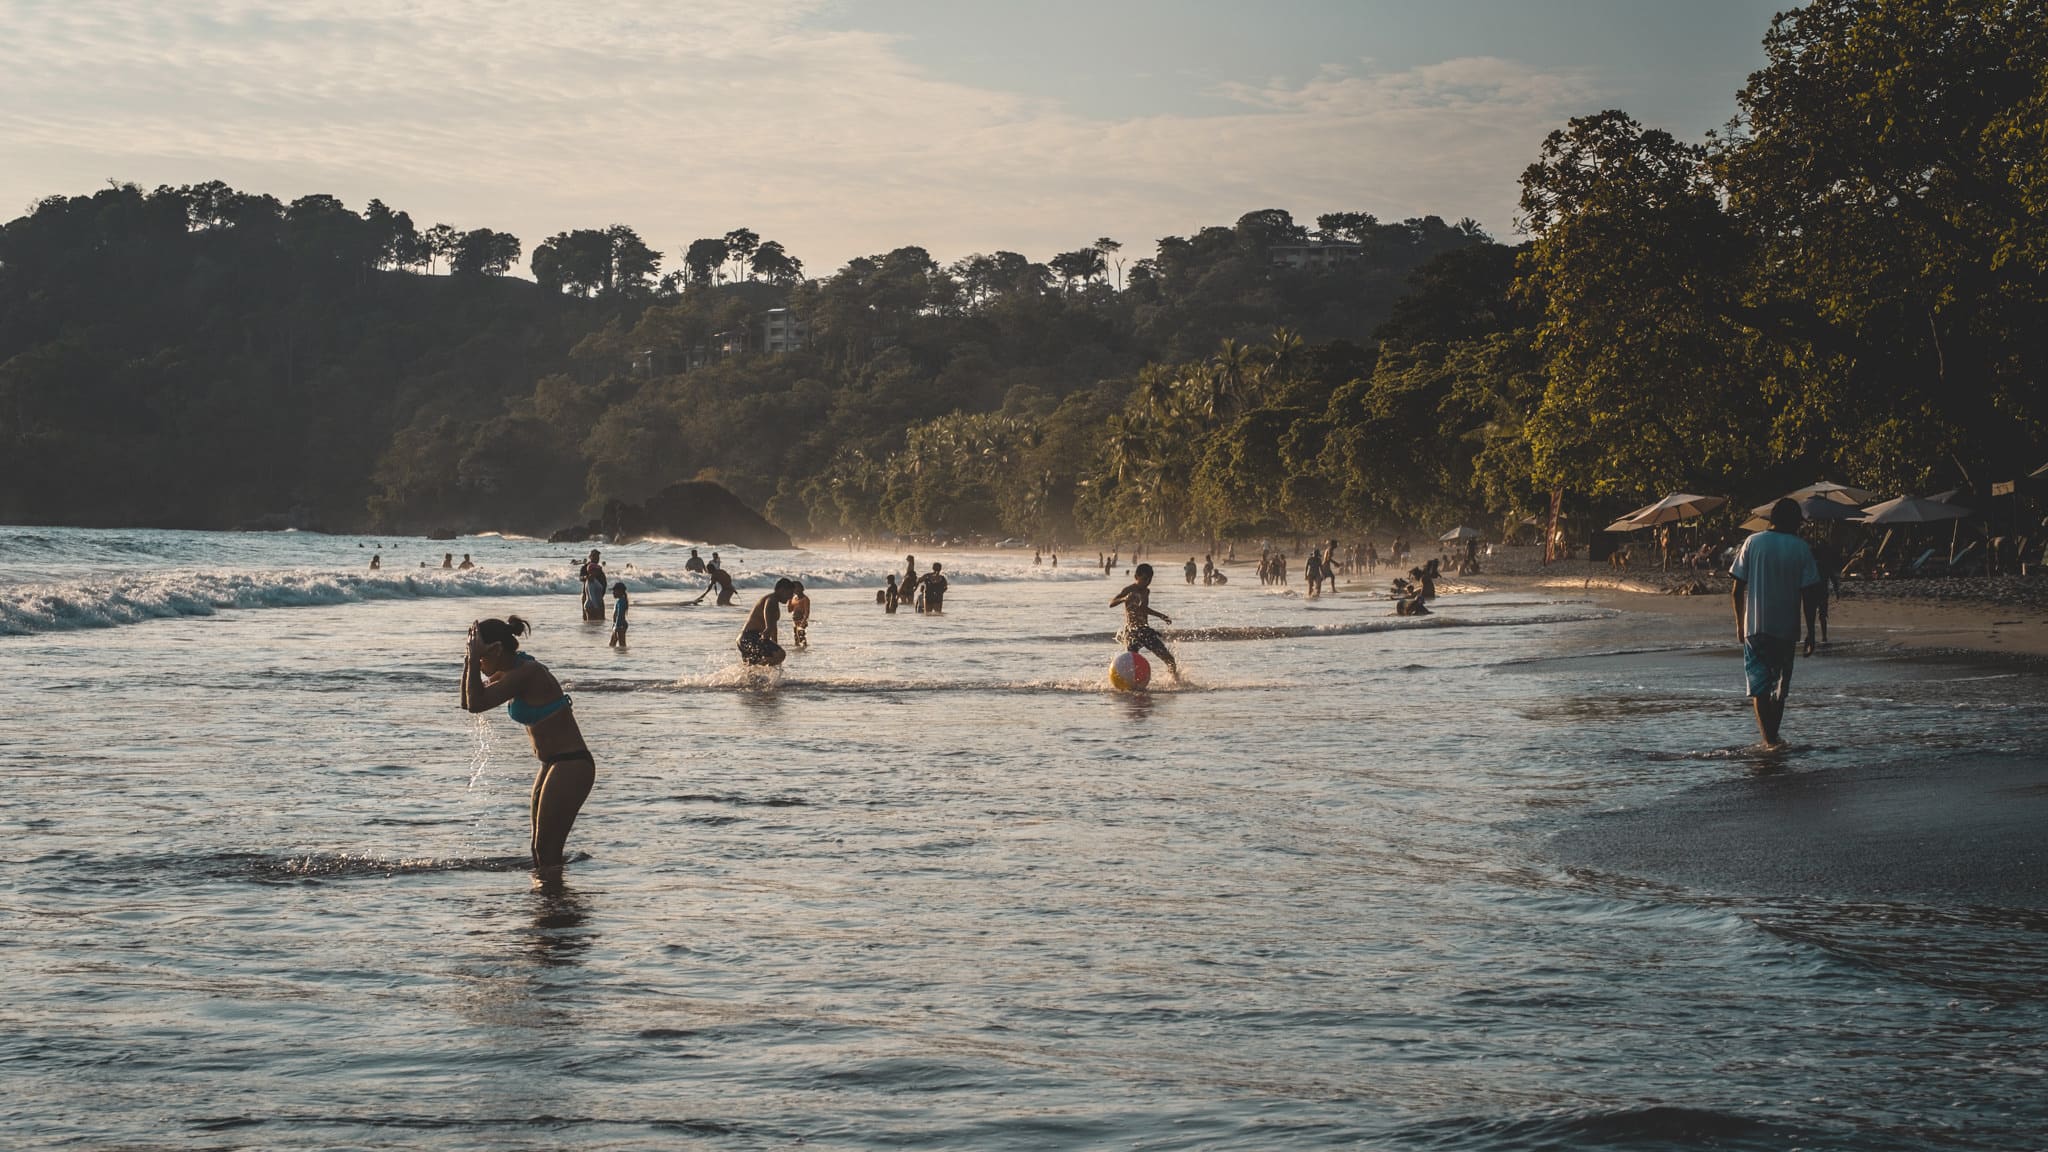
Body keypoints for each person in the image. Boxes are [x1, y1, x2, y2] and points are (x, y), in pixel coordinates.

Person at [460, 616, 596, 876]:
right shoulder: (510, 671)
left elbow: (477, 703)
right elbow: (468, 703)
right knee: (538, 849)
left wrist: (472, 660)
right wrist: (469, 661)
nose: (479, 663)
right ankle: (546, 908)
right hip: (552, 764)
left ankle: (557, 909)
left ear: (497, 649)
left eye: (481, 656)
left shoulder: (527, 673)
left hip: (571, 764)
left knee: (547, 850)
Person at [1730, 498, 1824, 748]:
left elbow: (1737, 589)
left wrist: (1740, 625)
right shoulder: (1801, 548)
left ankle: (1769, 740)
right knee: (1779, 689)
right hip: (1786, 629)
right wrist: (1811, 633)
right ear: (1795, 522)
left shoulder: (1753, 542)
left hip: (1755, 627)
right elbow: (1809, 595)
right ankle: (1772, 739)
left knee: (1759, 687)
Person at [1110, 564, 1179, 679]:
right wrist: (1124, 599)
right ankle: (1130, 683)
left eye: (1150, 579)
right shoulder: (1129, 590)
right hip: (1132, 632)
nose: (1147, 582)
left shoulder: (1146, 591)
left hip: (1145, 630)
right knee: (1132, 663)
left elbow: (1143, 609)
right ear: (1136, 576)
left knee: (1169, 659)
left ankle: (1175, 681)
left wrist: (1161, 616)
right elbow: (1111, 603)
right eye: (1145, 579)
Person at [737, 578, 797, 666]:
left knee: (753, 675)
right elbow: (767, 610)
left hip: (745, 639)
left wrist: (775, 643)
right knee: (780, 655)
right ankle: (755, 667)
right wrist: (768, 627)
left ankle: (751, 669)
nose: (791, 597)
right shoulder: (771, 599)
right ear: (782, 590)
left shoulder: (774, 602)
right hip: (750, 637)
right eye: (790, 593)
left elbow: (773, 626)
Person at [579, 550, 607, 621]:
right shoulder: (585, 567)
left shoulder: (599, 569)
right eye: (595, 556)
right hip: (586, 595)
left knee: (601, 619)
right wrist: (587, 577)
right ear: (590, 557)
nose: (597, 558)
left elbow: (604, 582)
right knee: (587, 618)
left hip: (599, 595)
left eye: (598, 557)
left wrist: (602, 595)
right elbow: (580, 578)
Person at [789, 581, 811, 648]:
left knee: (801, 636)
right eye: (794, 588)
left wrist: (804, 621)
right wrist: (789, 600)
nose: (796, 590)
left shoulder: (805, 599)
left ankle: (804, 648)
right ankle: (798, 648)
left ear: (802, 588)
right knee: (796, 636)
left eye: (797, 588)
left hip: (802, 620)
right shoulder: (793, 598)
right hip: (795, 621)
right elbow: (790, 610)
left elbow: (807, 612)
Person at [608, 582, 629, 649]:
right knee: (612, 644)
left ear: (620, 591)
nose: (613, 593)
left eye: (614, 591)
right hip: (618, 625)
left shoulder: (621, 601)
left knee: (621, 645)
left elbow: (619, 615)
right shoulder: (620, 601)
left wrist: (617, 627)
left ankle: (622, 657)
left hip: (620, 626)